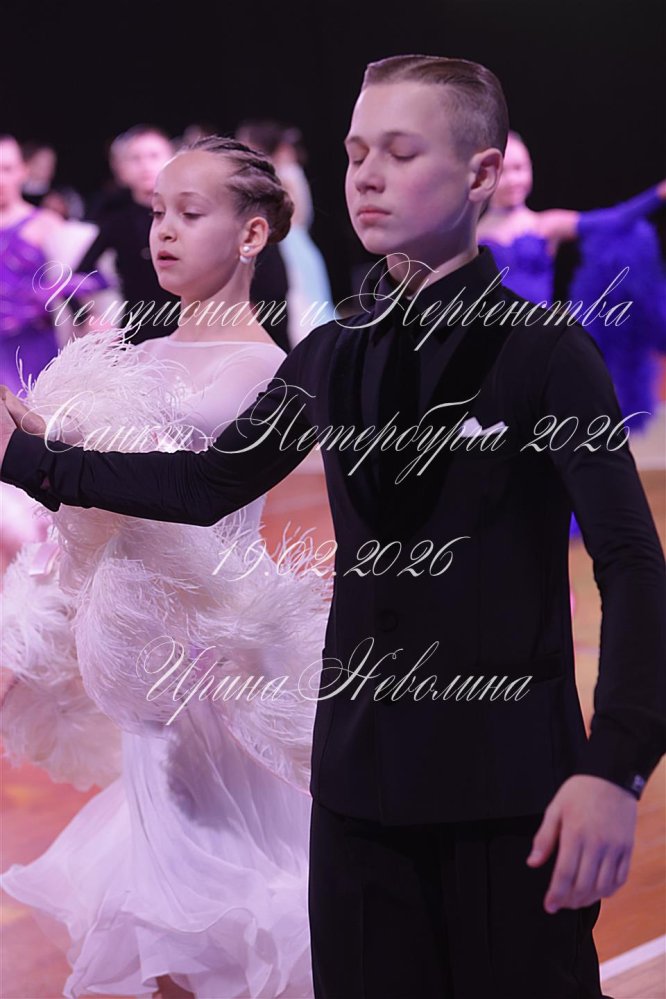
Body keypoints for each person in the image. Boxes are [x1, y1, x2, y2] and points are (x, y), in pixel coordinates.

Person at [2, 55, 665, 998]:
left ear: (480, 172)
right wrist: (30, 456)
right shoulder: (332, 351)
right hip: (355, 794)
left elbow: (633, 562)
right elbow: (206, 483)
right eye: (356, 154)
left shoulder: (546, 352)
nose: (367, 176)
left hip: (510, 793)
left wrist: (618, 765)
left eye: (400, 152)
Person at [1, 137, 325, 999]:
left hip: (207, 668)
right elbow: (103, 488)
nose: (164, 232)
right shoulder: (145, 351)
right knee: (168, 935)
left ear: (252, 235)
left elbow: (178, 489)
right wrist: (37, 436)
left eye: (191, 212)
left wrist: (43, 455)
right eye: (157, 213)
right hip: (142, 675)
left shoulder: (260, 367)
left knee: (215, 912)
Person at [478, 131, 666, 430]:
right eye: (504, 172)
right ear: (483, 177)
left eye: (520, 168)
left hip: (540, 347)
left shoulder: (545, 225)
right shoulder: (472, 237)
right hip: (494, 352)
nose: (513, 179)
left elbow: (614, 220)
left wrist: (658, 194)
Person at [236, 121, 335, 346]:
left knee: (301, 296)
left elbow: (296, 215)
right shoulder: (284, 172)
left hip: (290, 242)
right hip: (295, 242)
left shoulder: (284, 175)